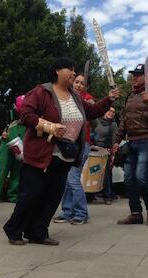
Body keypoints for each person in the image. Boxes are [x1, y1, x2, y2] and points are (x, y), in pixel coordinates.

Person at [3, 57, 118, 245]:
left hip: (65, 156)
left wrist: (109, 99)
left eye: (75, 70)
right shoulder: (42, 92)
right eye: (69, 69)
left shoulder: (75, 97)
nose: (73, 73)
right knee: (31, 194)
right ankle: (14, 229)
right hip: (40, 154)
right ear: (57, 70)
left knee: (52, 196)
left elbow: (91, 112)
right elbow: (26, 115)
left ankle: (38, 232)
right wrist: (49, 126)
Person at [112, 63, 148, 226]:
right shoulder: (131, 95)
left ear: (147, 77)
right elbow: (124, 119)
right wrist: (117, 141)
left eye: (137, 75)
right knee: (129, 179)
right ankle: (135, 213)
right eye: (133, 75)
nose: (134, 78)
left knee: (141, 176)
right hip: (132, 142)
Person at [52, 73, 98, 225]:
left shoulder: (87, 99)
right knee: (66, 179)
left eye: (82, 83)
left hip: (82, 143)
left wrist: (87, 104)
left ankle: (81, 212)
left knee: (73, 178)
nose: (78, 85)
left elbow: (96, 121)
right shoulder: (67, 97)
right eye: (76, 82)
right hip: (67, 143)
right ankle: (67, 211)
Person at [0, 95, 26, 204]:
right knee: (2, 169)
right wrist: (2, 132)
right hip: (6, 142)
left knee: (17, 170)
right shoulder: (9, 114)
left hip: (21, 143)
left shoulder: (31, 115)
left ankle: (13, 195)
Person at [93, 107, 118, 204]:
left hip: (106, 151)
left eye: (113, 112)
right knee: (93, 171)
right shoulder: (96, 121)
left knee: (106, 173)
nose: (111, 113)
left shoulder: (113, 124)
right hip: (94, 150)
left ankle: (108, 196)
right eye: (110, 111)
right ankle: (91, 194)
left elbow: (114, 140)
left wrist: (113, 154)